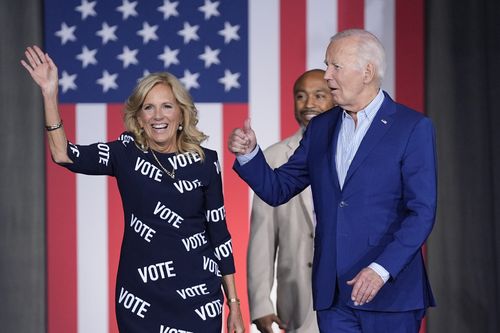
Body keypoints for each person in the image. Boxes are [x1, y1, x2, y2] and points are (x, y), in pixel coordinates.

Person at [21, 45, 245, 333]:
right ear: (139, 118)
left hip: (199, 297)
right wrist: (49, 94)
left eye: (167, 106)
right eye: (148, 107)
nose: (157, 115)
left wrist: (234, 303)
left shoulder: (206, 162)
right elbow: (64, 154)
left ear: (181, 114)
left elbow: (219, 235)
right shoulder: (126, 153)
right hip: (141, 297)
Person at [228, 29, 437, 333]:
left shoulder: (411, 127)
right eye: (327, 65)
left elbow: (422, 212)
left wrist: (381, 270)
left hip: (390, 295)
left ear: (367, 72)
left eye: (335, 66)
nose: (326, 76)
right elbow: (278, 188)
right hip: (334, 298)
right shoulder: (321, 128)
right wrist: (250, 155)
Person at [247, 69, 334, 333]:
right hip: (298, 299)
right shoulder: (273, 158)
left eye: (320, 95)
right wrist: (261, 303)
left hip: (349, 292)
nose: (309, 104)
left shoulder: (352, 152)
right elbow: (262, 236)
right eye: (301, 96)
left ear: (336, 98)